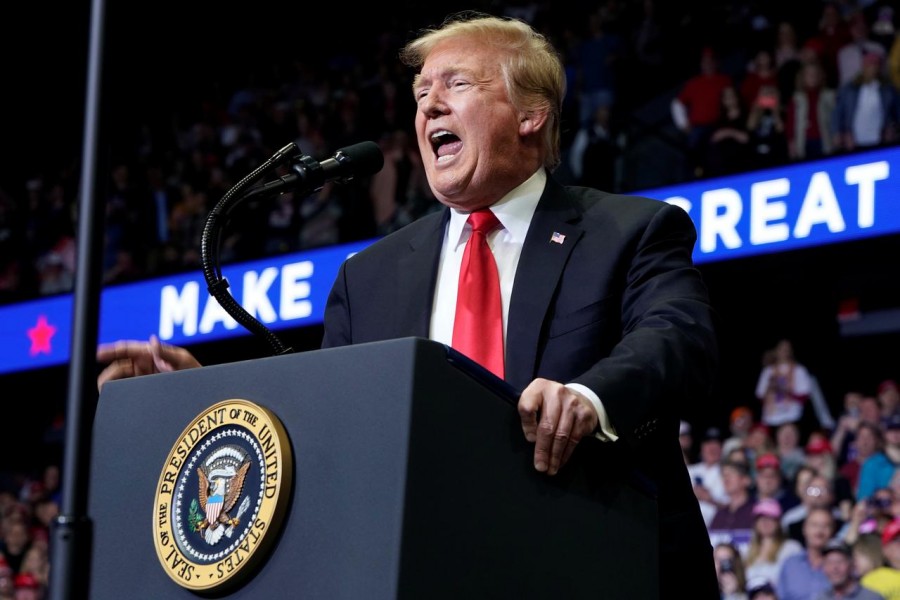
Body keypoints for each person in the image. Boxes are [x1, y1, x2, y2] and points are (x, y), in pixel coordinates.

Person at [96, 11, 721, 597]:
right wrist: (205, 401)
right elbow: (329, 433)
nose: (430, 108)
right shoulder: (367, 277)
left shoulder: (628, 230)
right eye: (421, 95)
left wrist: (588, 396)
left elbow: (678, 337)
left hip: (589, 564)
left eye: (456, 84)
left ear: (532, 114)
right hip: (424, 572)